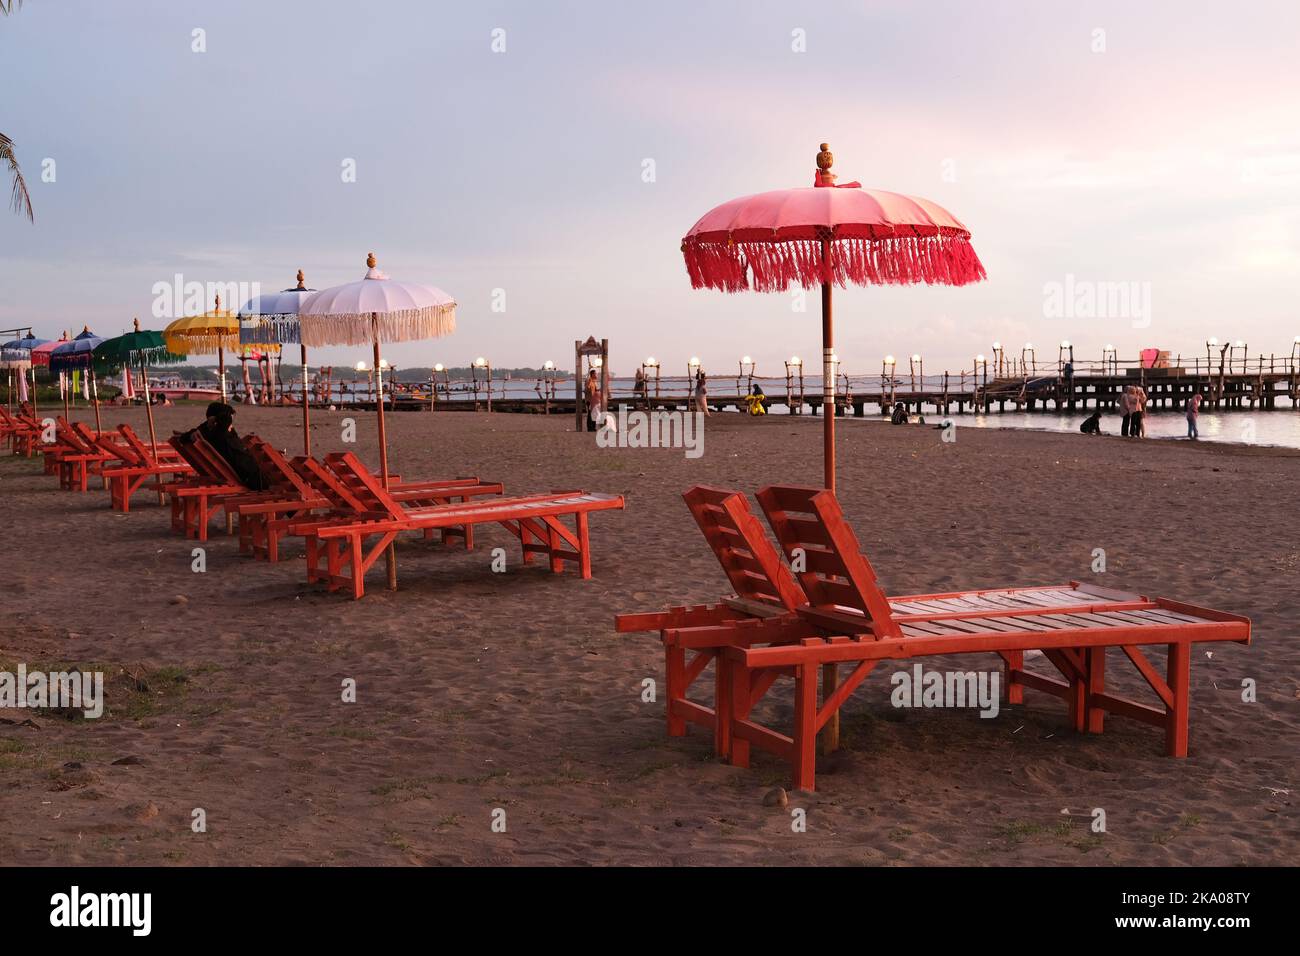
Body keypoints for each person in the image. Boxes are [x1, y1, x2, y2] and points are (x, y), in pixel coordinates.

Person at [181, 401, 267, 490]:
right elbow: (246, 463)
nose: (232, 425)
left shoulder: (208, 434)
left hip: (246, 476)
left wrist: (211, 422)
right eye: (231, 421)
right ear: (224, 421)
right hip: (255, 481)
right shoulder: (224, 439)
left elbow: (184, 437)